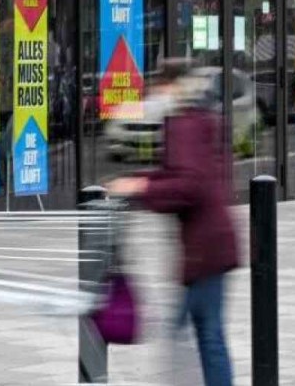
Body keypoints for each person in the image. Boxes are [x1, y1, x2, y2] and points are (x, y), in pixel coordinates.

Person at [107, 59, 239, 386]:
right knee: (204, 334)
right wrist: (139, 180)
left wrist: (142, 187)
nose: (155, 93)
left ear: (173, 86)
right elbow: (181, 175)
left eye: (160, 85)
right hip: (211, 244)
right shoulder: (199, 120)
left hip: (204, 249)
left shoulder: (183, 125)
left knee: (197, 334)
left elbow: (189, 184)